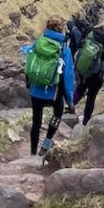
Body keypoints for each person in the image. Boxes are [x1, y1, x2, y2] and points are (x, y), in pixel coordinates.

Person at [22, 14, 76, 156]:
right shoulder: (64, 50)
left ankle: (32, 153)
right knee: (57, 114)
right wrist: (70, 101)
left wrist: (28, 82)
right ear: (61, 30)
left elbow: (29, 62)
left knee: (36, 122)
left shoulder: (38, 42)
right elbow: (68, 76)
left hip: (36, 90)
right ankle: (45, 145)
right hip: (54, 92)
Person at [73, 10, 104, 125]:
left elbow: (80, 44)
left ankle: (70, 105)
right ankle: (85, 122)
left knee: (80, 87)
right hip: (96, 74)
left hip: (82, 68)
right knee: (91, 98)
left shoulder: (90, 31)